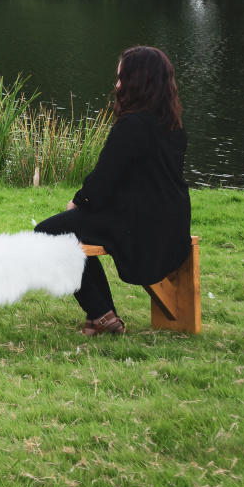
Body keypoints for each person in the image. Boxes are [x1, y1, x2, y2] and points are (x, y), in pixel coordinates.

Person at [35, 47, 191, 335]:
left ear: (137, 82)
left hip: (137, 219)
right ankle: (104, 315)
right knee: (73, 232)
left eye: (121, 79)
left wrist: (78, 202)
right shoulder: (172, 124)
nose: (117, 85)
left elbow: (104, 180)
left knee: (48, 234)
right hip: (172, 216)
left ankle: (100, 313)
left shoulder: (132, 125)